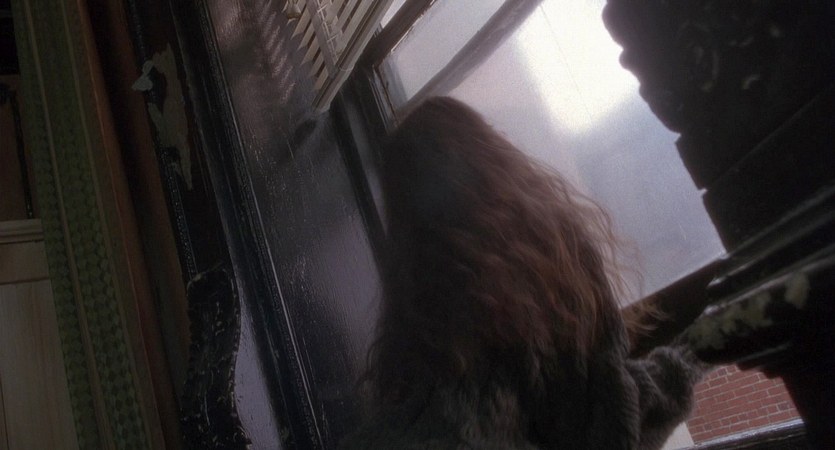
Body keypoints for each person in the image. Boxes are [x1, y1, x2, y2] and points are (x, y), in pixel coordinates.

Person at [341, 97, 707, 449]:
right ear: (490, 156)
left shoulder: (411, 316)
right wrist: (695, 353)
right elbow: (610, 415)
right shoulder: (554, 253)